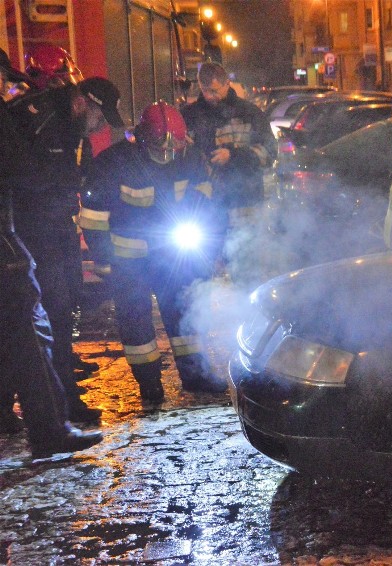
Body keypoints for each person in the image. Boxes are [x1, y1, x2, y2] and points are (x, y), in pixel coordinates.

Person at [79, 101, 229, 402]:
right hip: (128, 261)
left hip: (174, 256)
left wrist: (209, 252)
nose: (166, 155)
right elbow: (93, 218)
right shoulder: (113, 163)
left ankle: (196, 376)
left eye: (173, 150)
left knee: (184, 314)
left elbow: (208, 207)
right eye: (160, 149)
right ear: (142, 138)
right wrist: (105, 259)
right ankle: (149, 385)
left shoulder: (190, 160)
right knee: (136, 324)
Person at [0, 48, 102, 457]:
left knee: (33, 324)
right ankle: (49, 427)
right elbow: (20, 170)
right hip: (17, 236)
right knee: (31, 326)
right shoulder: (23, 115)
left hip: (31, 229)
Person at [8, 76, 126, 424]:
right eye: (100, 117)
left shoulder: (70, 126)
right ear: (82, 102)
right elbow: (24, 177)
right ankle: (60, 407)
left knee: (64, 306)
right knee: (49, 315)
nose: (102, 126)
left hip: (57, 228)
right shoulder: (40, 118)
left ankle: (61, 400)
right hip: (32, 232)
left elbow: (76, 173)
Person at [180, 62, 276, 221]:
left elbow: (270, 151)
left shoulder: (249, 113)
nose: (210, 96)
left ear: (227, 84)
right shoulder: (189, 116)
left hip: (244, 204)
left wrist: (232, 156)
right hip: (204, 207)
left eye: (214, 91)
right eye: (205, 91)